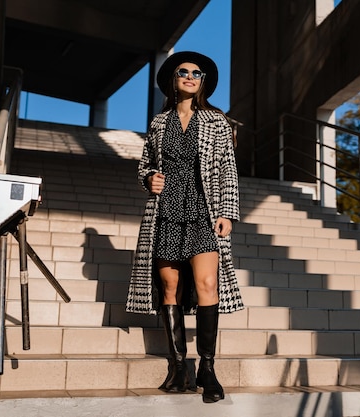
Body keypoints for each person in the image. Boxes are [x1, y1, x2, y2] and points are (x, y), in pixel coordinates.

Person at [126, 51, 244, 403]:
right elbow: (145, 163)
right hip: (167, 209)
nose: (191, 76)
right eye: (183, 71)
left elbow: (227, 170)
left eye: (197, 73)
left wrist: (227, 212)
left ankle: (207, 368)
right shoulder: (158, 123)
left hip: (204, 209)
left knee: (208, 283)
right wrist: (149, 179)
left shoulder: (217, 121)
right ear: (173, 80)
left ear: (203, 82)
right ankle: (179, 366)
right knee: (169, 285)